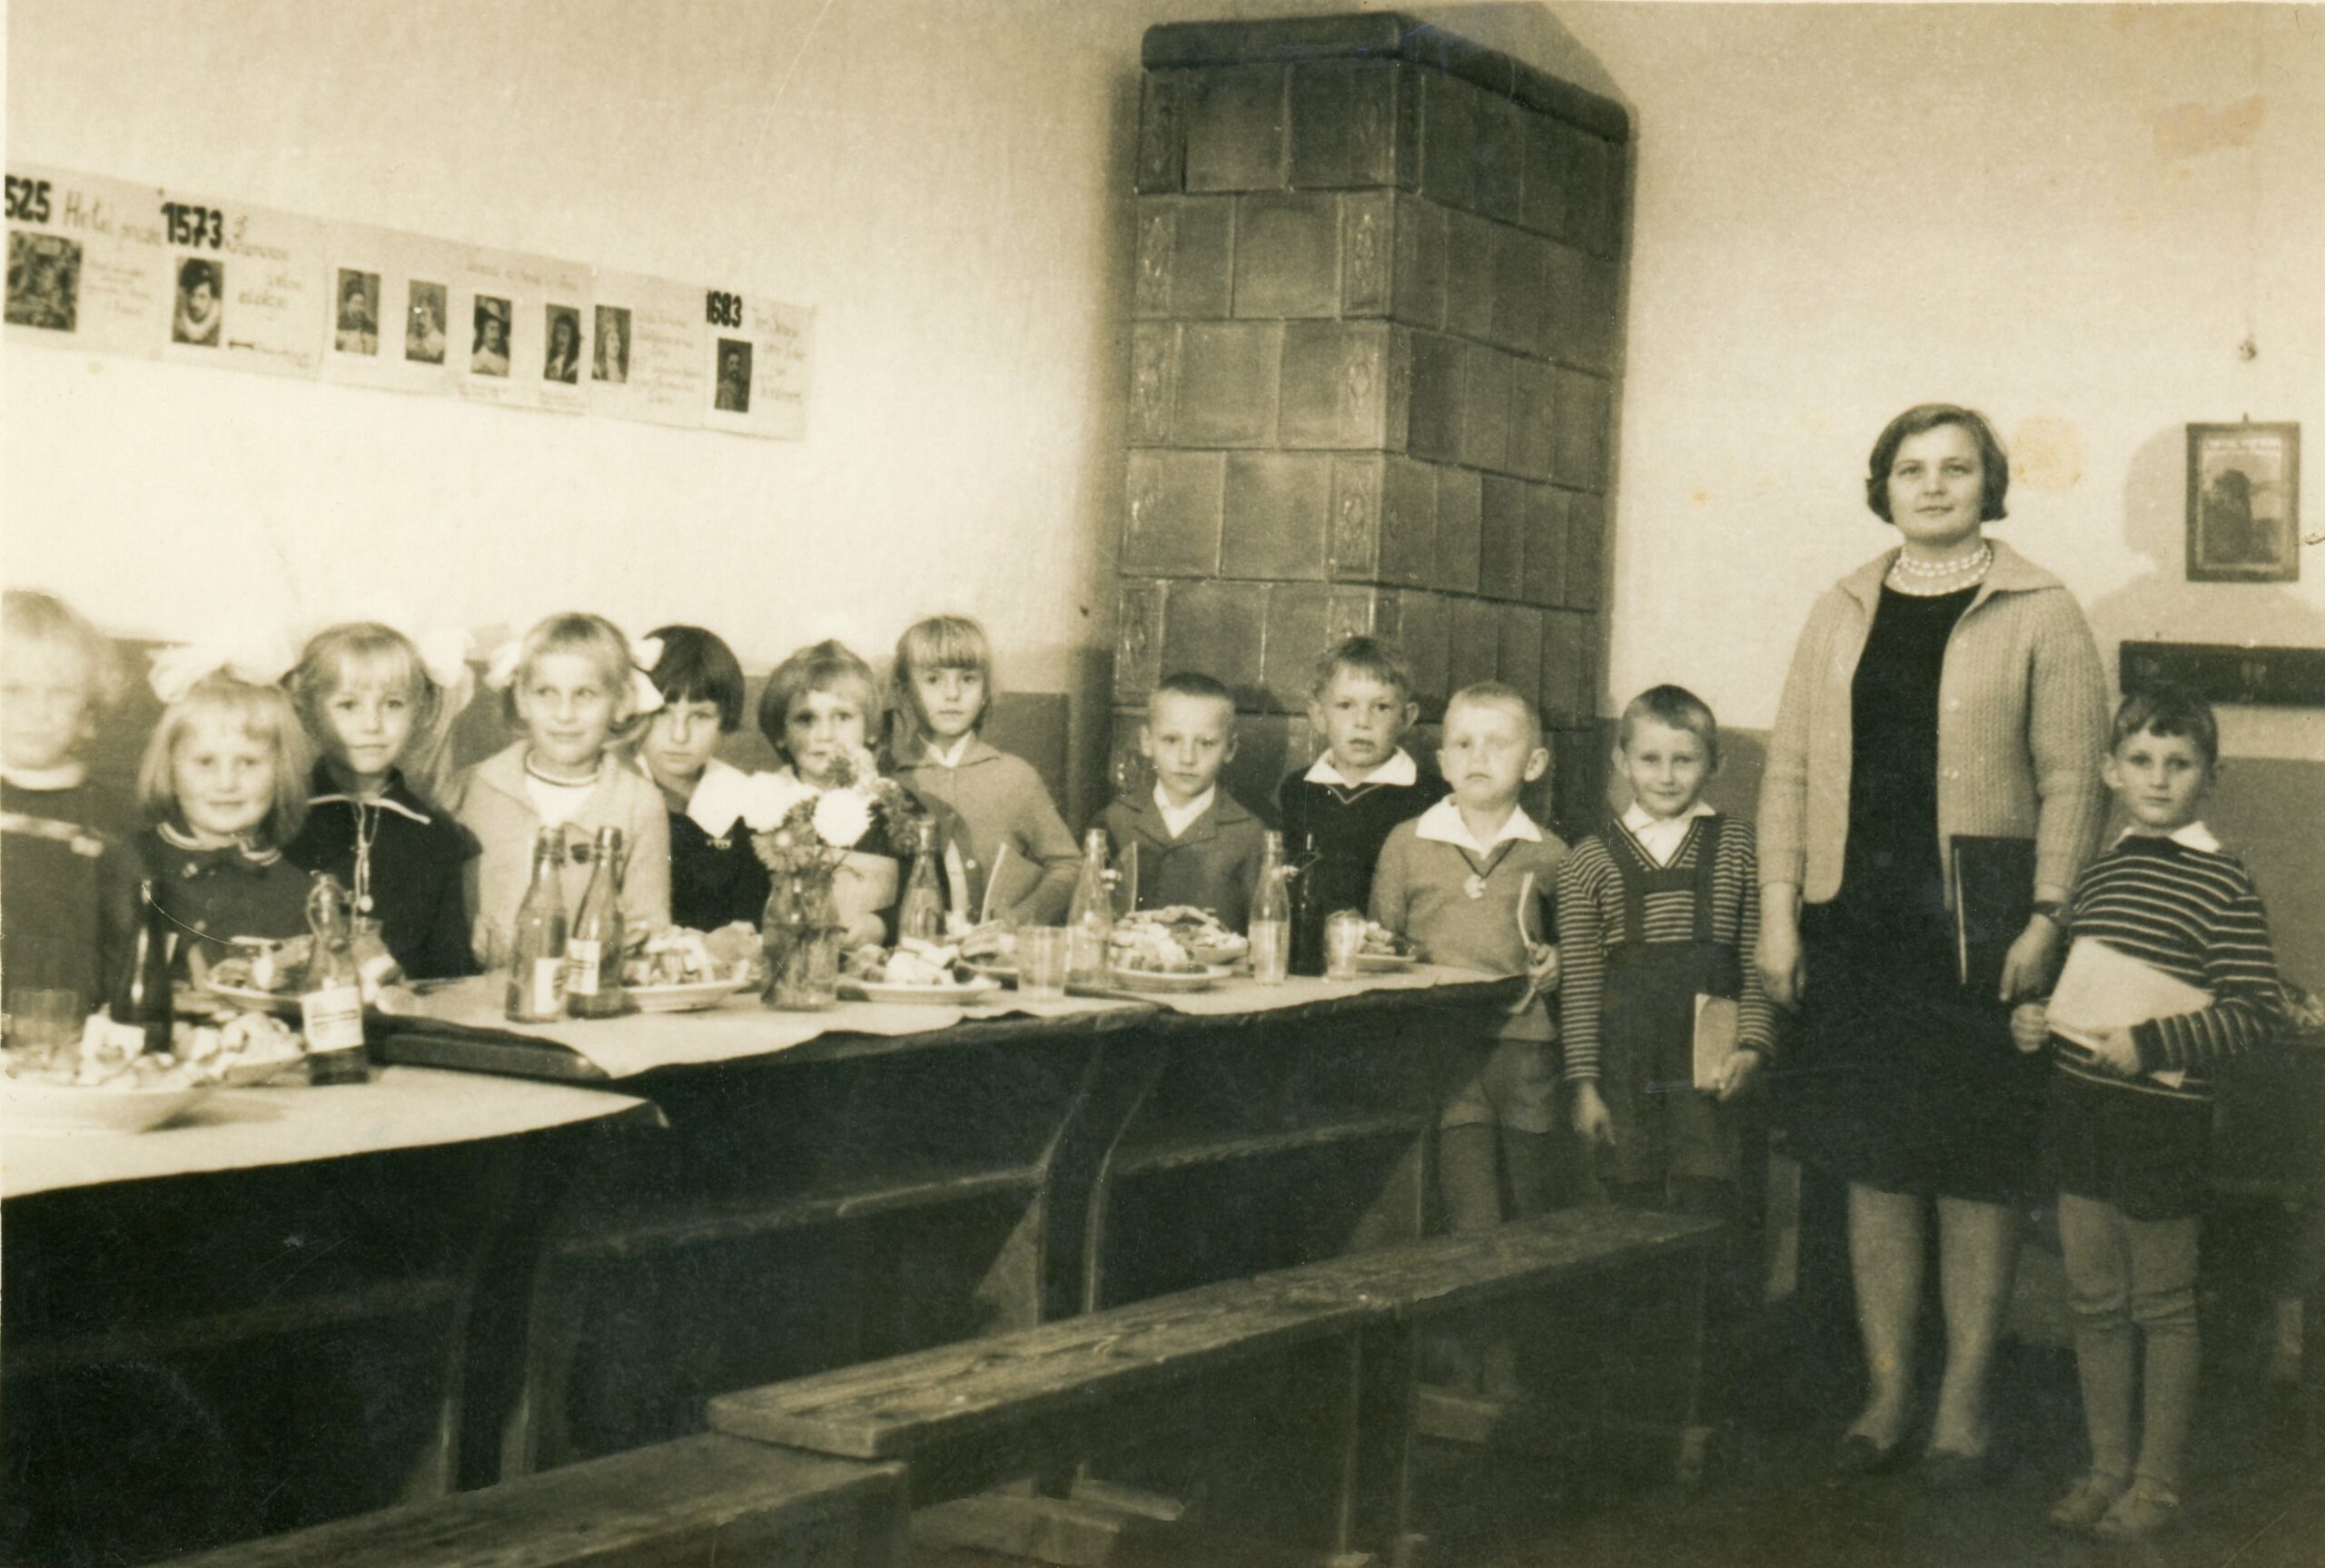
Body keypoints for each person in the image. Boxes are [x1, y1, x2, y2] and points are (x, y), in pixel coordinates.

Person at [1757, 403, 2110, 1483]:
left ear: (1987, 484)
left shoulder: (2042, 609)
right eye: (1911, 468)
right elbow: (1788, 769)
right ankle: (1887, 1390)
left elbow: (2072, 781)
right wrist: (1777, 911)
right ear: (1884, 487)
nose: (1934, 484)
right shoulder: (1840, 606)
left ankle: (1962, 1401)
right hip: (1856, 929)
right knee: (1875, 1168)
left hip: (1979, 938)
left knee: (1972, 1171)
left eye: (1957, 467)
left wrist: (2046, 915)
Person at [2013, 686, 2283, 1541]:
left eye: (2179, 763)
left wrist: (2156, 1041)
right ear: (2110, 770)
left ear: (2211, 776)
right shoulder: (2100, 869)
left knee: (2161, 1303)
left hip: (2162, 1124)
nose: (2158, 779)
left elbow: (2256, 1011)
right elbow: (2077, 993)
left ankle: (2156, 1481)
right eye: (2140, 760)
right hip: (2082, 1111)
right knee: (2093, 1298)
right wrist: (2034, 1019)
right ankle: (2106, 1468)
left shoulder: (2225, 880)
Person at [1371, 682, 1565, 1392]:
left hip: (1527, 1050)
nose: (1478, 756)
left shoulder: (1553, 853)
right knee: (1472, 1212)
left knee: (1532, 1203)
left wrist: (1558, 962)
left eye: (1498, 743)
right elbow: (1379, 943)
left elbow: (1576, 949)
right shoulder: (1407, 843)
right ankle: (1481, 1365)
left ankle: (1519, 1368)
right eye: (1462, 743)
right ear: (1442, 760)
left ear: (1534, 763)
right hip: (1448, 1055)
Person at [1559, 685, 1773, 1204]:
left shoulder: (1741, 846)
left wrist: (1752, 1047)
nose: (1667, 775)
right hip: (1625, 1070)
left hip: (1714, 1065)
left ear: (1715, 764)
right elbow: (1580, 985)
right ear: (1621, 761)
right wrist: (1585, 1087)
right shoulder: (1588, 859)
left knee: (1713, 1200)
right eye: (1649, 759)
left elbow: (1757, 960)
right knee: (1632, 1205)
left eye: (1684, 760)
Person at [448, 614, 670, 966]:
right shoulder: (475, 786)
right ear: (521, 699)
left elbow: (649, 928)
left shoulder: (638, 803)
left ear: (621, 702)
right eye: (546, 693)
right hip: (479, 988)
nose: (564, 714)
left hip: (587, 989)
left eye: (585, 694)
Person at [282, 622, 477, 981]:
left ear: (421, 711)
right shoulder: (284, 817)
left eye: (392, 704)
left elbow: (450, 967)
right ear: (307, 712)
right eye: (348, 705)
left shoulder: (436, 836)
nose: (372, 724)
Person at [886, 615, 1079, 927]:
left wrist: (1020, 919)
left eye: (968, 679)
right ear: (904, 691)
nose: (952, 694)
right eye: (933, 680)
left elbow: (1068, 866)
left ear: (986, 690)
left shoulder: (1016, 778)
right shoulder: (888, 781)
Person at [1, 590, 135, 1021]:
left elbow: (123, 934)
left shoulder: (109, 814)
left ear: (88, 707)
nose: (38, 712)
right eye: (13, 690)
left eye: (60, 693)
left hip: (71, 1020)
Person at [132, 666, 317, 966]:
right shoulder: (129, 861)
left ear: (282, 772)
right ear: (170, 769)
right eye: (205, 762)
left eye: (248, 762)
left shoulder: (300, 894)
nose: (226, 783)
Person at [1277, 636, 1443, 966]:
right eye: (1345, 706)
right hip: (1309, 955)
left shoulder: (1430, 794)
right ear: (1318, 715)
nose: (1363, 722)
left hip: (1390, 959)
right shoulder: (1298, 788)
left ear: (1407, 717)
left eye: (1382, 707)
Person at [757, 639, 920, 950]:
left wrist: (883, 924)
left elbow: (932, 899)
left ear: (870, 730)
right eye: (806, 719)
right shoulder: (761, 807)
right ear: (780, 733)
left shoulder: (900, 808)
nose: (825, 735)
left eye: (843, 717)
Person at [1094, 673, 1267, 929]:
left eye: (1206, 743)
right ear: (1146, 742)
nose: (1187, 758)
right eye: (1171, 740)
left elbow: (1263, 928)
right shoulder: (1115, 820)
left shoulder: (1249, 833)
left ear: (1230, 749)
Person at [637, 625, 772, 932]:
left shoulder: (745, 801)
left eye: (700, 716)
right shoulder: (612, 793)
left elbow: (751, 919)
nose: (679, 735)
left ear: (725, 721)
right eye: (661, 713)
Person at [172, 259, 221, 347]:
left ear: (213, 299)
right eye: (192, 295)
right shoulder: (177, 330)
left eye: (202, 297)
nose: (195, 303)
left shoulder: (219, 333)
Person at [334, 274, 377, 354]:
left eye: (362, 303)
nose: (359, 308)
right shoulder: (338, 325)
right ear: (347, 304)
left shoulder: (371, 327)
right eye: (355, 303)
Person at [405, 286, 447, 363]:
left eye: (424, 314)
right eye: (418, 313)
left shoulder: (442, 343)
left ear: (434, 318)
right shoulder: (410, 338)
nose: (419, 319)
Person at [470, 301, 510, 376]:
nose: (496, 336)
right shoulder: (474, 360)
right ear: (482, 331)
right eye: (492, 329)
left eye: (499, 330)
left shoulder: (505, 363)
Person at [543, 310, 580, 384]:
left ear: (572, 338)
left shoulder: (576, 365)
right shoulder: (553, 360)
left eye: (564, 333)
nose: (558, 337)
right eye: (557, 332)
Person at [593, 308, 628, 383]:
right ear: (604, 343)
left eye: (618, 339)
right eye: (612, 339)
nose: (616, 344)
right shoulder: (596, 369)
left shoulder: (624, 369)